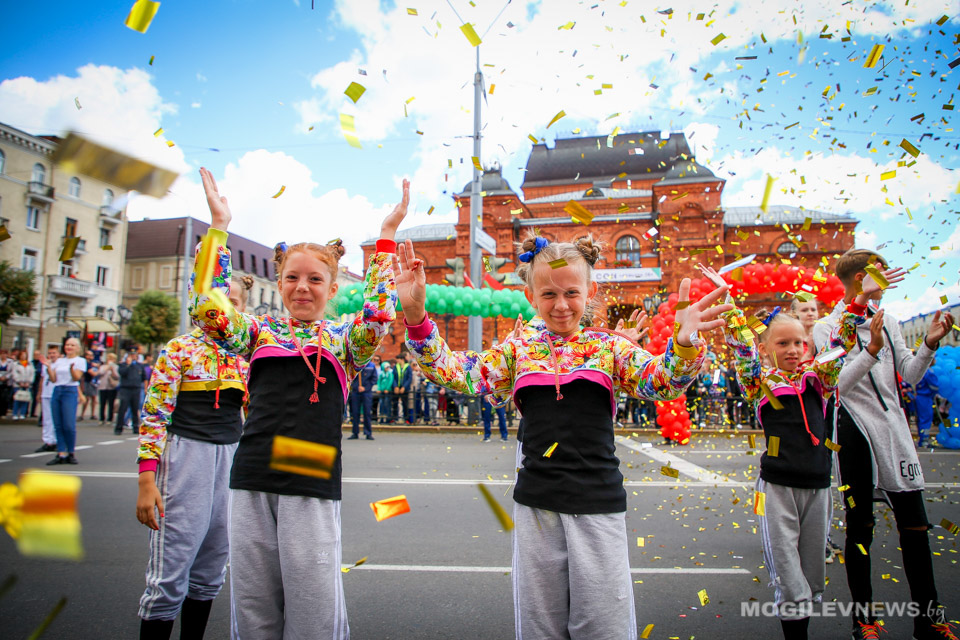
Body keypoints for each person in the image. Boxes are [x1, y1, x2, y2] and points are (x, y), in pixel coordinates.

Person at [397, 233, 731, 639]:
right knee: (541, 628)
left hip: (599, 505)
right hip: (538, 507)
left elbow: (662, 383)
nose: (560, 305)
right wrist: (416, 318)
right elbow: (456, 372)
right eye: (548, 293)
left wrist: (682, 343)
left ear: (589, 292)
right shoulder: (517, 350)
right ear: (530, 295)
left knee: (604, 627)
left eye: (571, 292)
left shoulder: (608, 347)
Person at [190, 167, 405, 638]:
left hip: (311, 476)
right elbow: (206, 306)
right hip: (251, 476)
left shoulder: (347, 340)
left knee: (313, 604)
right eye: (292, 278)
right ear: (280, 282)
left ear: (331, 289)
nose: (302, 287)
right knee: (253, 604)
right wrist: (218, 227)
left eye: (314, 279)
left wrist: (386, 238)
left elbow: (380, 313)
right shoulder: (258, 331)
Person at [703, 263, 869, 640]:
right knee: (787, 572)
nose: (793, 349)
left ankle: (801, 617)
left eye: (799, 343)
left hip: (819, 487)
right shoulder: (761, 384)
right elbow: (741, 346)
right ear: (766, 349)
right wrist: (728, 303)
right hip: (776, 489)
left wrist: (860, 299)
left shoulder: (820, 378)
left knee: (812, 573)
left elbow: (841, 341)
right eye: (782, 343)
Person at [812, 249, 958, 640]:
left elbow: (908, 375)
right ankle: (864, 620)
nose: (888, 281)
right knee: (861, 530)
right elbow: (835, 385)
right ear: (860, 279)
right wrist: (870, 350)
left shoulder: (890, 321)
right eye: (879, 274)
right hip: (855, 431)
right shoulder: (827, 328)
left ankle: (929, 620)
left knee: (916, 528)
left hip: (895, 433)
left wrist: (928, 344)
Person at [135, 275, 253, 640]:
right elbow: (155, 415)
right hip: (186, 458)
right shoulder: (179, 349)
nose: (222, 309)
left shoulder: (246, 356)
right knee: (171, 570)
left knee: (211, 568)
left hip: (230, 461)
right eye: (216, 300)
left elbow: (251, 416)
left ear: (243, 310)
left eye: (232, 302)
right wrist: (146, 481)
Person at [44, 337, 86, 465]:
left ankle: (71, 452)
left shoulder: (80, 361)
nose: (69, 347)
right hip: (57, 390)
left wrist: (71, 370)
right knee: (58, 424)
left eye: (72, 345)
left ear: (77, 348)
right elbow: (53, 379)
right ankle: (61, 453)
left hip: (70, 391)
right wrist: (48, 368)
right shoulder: (59, 361)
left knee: (68, 424)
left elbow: (76, 378)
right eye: (67, 345)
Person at [35, 345, 60, 452]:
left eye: (54, 353)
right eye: (50, 353)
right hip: (46, 393)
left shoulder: (60, 364)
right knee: (46, 419)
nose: (52, 355)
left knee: (56, 418)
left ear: (58, 354)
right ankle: (48, 441)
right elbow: (42, 379)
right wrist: (39, 393)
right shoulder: (45, 364)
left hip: (55, 393)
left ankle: (56, 441)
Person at [117, 352, 148, 435]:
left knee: (135, 409)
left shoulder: (139, 365)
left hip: (136, 389)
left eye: (135, 356)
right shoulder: (123, 365)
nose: (133, 357)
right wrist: (128, 364)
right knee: (122, 409)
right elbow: (122, 373)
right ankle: (119, 428)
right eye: (131, 355)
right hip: (125, 389)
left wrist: (145, 388)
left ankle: (135, 427)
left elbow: (144, 377)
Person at [347, 359, 377, 440]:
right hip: (356, 392)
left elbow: (374, 379)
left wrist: (365, 388)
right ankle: (355, 432)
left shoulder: (371, 366)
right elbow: (350, 378)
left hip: (366, 392)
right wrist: (356, 387)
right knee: (355, 412)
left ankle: (368, 433)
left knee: (367, 412)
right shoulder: (355, 365)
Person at [914, 366, 938, 448]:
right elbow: (935, 386)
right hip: (925, 397)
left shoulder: (920, 369)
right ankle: (924, 440)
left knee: (921, 419)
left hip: (919, 396)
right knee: (926, 419)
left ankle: (922, 439)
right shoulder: (929, 371)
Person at [791, 296, 820, 362]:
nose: (810, 313)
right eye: (804, 310)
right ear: (794, 314)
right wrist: (809, 353)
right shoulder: (791, 340)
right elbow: (792, 370)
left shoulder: (823, 336)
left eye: (813, 310)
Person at [10, 352, 35, 420]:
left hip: (27, 385)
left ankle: (22, 413)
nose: (23, 356)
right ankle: (15, 414)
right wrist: (19, 381)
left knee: (25, 399)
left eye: (25, 355)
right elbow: (14, 373)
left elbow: (32, 374)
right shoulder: (16, 364)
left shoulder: (30, 364)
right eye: (22, 355)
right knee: (17, 399)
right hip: (18, 385)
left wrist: (29, 382)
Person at [98, 353, 120, 425]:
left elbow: (117, 377)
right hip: (103, 387)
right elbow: (100, 373)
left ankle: (110, 419)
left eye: (112, 359)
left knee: (111, 403)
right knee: (102, 403)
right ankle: (101, 418)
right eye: (109, 358)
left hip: (111, 387)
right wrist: (107, 368)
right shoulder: (103, 366)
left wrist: (113, 370)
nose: (110, 360)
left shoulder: (116, 367)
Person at [78, 349, 99, 421]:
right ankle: (82, 414)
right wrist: (99, 369)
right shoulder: (86, 364)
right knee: (86, 399)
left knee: (94, 398)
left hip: (92, 382)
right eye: (89, 355)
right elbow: (93, 373)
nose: (91, 356)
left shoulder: (91, 363)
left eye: (92, 355)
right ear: (86, 356)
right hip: (87, 382)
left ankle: (92, 414)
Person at [393, 353, 411, 424]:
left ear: (402, 359)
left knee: (405, 404)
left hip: (404, 388)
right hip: (397, 388)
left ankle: (406, 419)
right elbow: (393, 377)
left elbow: (409, 378)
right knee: (395, 403)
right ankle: (394, 418)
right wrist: (395, 386)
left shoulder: (408, 367)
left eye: (398, 359)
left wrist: (404, 387)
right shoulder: (396, 366)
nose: (397, 361)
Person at [0, 348, 12, 417]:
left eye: (5, 354)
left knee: (5, 398)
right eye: (2, 354)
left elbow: (11, 371)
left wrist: (6, 377)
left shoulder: (10, 362)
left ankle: (3, 412)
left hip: (7, 382)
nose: (3, 355)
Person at [30, 349, 42, 418]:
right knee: (28, 397)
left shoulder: (41, 363)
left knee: (35, 398)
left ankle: (33, 412)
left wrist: (35, 371)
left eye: (38, 354)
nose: (36, 356)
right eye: (35, 354)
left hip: (37, 382)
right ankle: (25, 412)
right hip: (30, 382)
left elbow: (40, 372)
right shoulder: (30, 362)